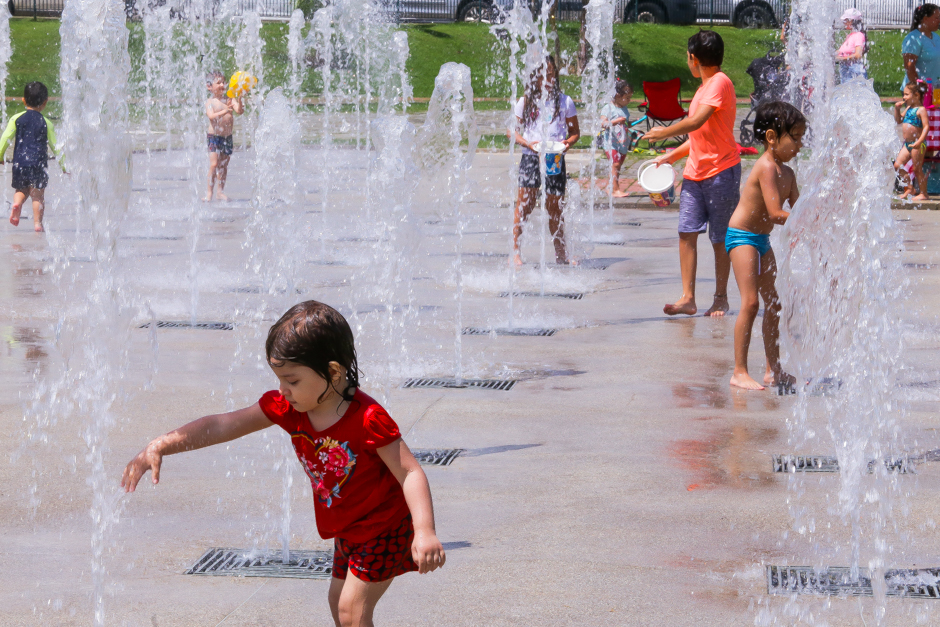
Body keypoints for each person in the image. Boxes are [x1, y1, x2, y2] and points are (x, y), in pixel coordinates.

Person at [121, 300, 446, 627]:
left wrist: (425, 531)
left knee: (352, 610)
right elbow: (222, 425)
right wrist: (162, 445)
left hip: (384, 526)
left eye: (292, 381)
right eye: (279, 379)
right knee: (339, 605)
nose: (283, 390)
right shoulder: (290, 409)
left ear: (333, 373)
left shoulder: (368, 419)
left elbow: (409, 471)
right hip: (348, 527)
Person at [645, 30, 741, 317]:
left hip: (721, 171)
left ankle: (721, 298)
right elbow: (699, 134)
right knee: (686, 232)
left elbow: (696, 121)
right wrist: (671, 156)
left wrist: (664, 132)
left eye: (688, 56)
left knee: (720, 237)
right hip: (695, 173)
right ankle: (688, 298)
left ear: (694, 58)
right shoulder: (703, 89)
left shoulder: (720, 83)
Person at [726, 102, 804, 391]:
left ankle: (774, 370)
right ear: (772, 137)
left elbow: (800, 210)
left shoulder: (789, 174)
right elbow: (775, 214)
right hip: (742, 237)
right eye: (795, 137)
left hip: (761, 240)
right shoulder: (766, 168)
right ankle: (739, 371)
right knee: (751, 302)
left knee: (774, 304)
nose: (799, 145)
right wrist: (806, 220)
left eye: (801, 138)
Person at [509, 55, 580, 266]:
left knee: (555, 208)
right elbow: (512, 132)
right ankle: (515, 252)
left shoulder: (565, 101)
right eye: (543, 75)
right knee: (525, 205)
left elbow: (575, 133)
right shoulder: (525, 102)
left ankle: (561, 254)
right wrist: (528, 143)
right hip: (531, 157)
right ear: (535, 77)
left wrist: (567, 143)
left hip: (554, 158)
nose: (548, 79)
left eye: (551, 74)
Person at [0, 82, 65, 233]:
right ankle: (37, 224)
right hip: (38, 164)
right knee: (37, 195)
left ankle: (17, 204)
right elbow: (56, 147)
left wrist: (0, 155)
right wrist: (64, 165)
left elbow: (4, 139)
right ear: (45, 102)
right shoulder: (46, 123)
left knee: (21, 190)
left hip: (20, 163)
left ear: (23, 100)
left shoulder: (16, 118)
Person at [204, 71, 244, 202]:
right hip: (214, 137)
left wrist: (239, 100)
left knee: (223, 165)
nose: (222, 85)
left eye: (223, 82)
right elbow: (211, 116)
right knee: (214, 164)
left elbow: (239, 111)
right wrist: (225, 110)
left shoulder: (229, 99)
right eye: (218, 83)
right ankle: (209, 193)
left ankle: (220, 192)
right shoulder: (210, 102)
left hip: (227, 137)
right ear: (209, 86)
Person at [894, 80, 931, 201]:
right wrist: (897, 109)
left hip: (918, 143)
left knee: (917, 169)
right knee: (897, 165)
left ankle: (923, 193)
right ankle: (910, 188)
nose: (904, 97)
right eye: (903, 94)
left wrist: (919, 141)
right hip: (908, 144)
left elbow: (926, 127)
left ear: (916, 95)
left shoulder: (921, 110)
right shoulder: (909, 108)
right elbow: (899, 120)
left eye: (906, 94)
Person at [599, 79, 633, 198]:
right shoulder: (608, 108)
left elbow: (625, 124)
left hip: (622, 143)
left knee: (616, 166)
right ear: (618, 96)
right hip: (611, 143)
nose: (629, 100)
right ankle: (615, 189)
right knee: (616, 164)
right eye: (627, 98)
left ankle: (610, 188)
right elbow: (603, 123)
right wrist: (616, 121)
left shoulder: (624, 108)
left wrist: (631, 124)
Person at [903, 4, 940, 91]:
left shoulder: (936, 37)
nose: (939, 21)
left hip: (934, 88)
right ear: (925, 19)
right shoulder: (913, 39)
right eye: (937, 18)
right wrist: (919, 89)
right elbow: (909, 67)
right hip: (916, 90)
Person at [836, 8, 867, 83]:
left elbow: (858, 55)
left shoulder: (859, 35)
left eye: (845, 20)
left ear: (851, 21)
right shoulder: (851, 35)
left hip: (854, 71)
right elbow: (842, 51)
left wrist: (841, 59)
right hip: (847, 70)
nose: (844, 22)